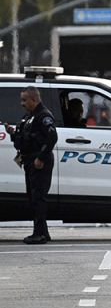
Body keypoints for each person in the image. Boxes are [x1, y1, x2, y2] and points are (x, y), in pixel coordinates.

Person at [13, 86, 58, 245]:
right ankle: (43, 232)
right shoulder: (30, 116)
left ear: (34, 99)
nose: (22, 103)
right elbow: (28, 138)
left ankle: (38, 234)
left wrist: (41, 157)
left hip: (39, 162)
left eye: (25, 100)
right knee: (33, 197)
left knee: (38, 198)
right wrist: (13, 133)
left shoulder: (43, 116)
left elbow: (51, 137)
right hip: (29, 160)